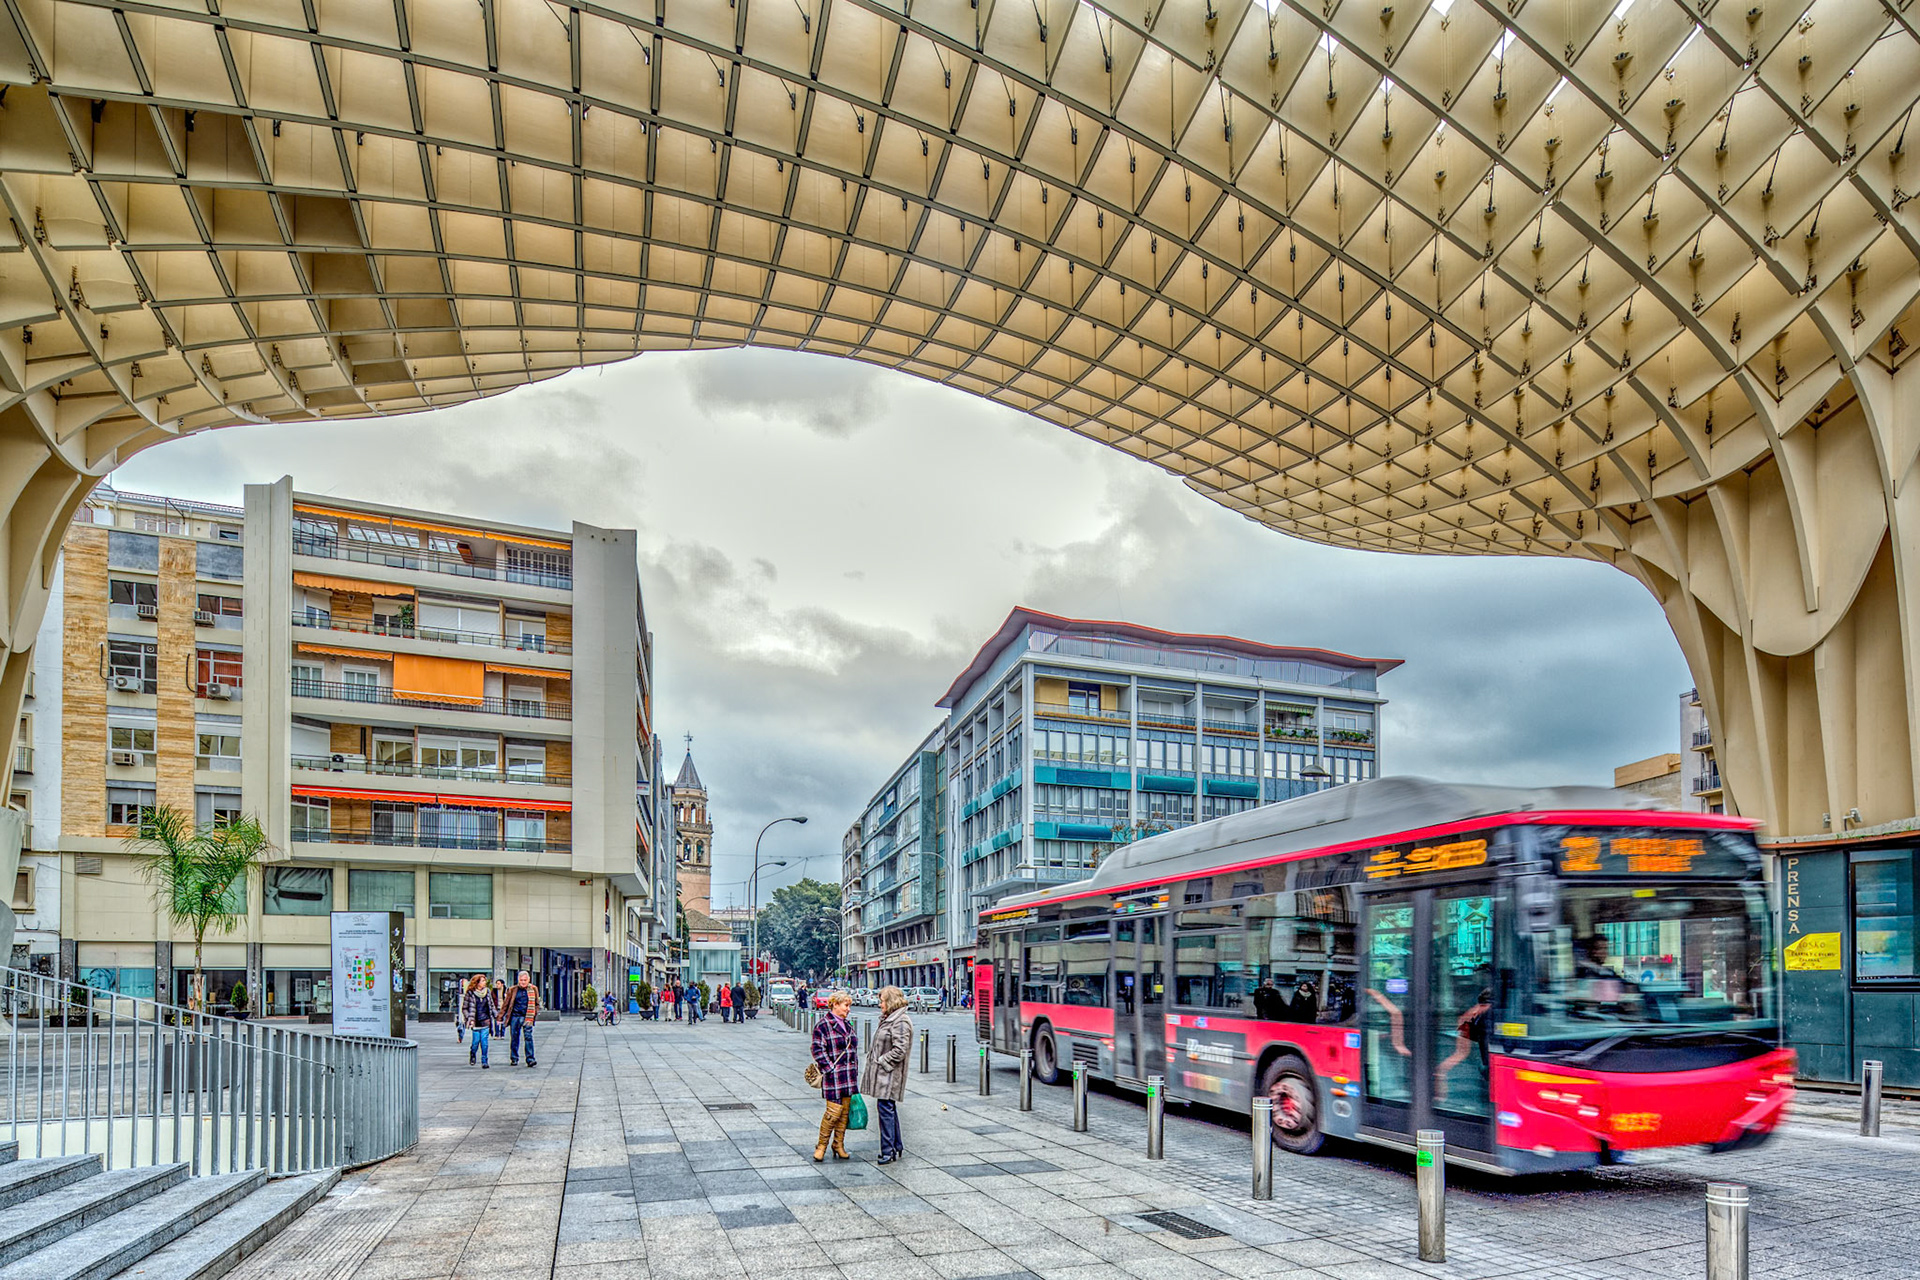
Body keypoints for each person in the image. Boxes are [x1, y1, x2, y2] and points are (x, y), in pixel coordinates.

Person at [862, 986, 913, 1165]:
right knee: (887, 1107)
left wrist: (883, 1061)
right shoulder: (890, 1019)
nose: (880, 1004)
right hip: (885, 1074)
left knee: (885, 1109)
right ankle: (896, 1146)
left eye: (882, 1000)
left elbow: (900, 1049)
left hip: (890, 1074)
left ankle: (887, 1151)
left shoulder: (900, 1021)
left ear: (890, 1001)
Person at [809, 991, 859, 1162]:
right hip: (834, 1076)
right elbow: (817, 1049)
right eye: (846, 1005)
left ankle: (838, 1144)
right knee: (833, 1112)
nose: (848, 1009)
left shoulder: (848, 1024)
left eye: (849, 1005)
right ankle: (821, 1146)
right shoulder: (823, 1025)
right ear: (835, 1005)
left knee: (844, 1112)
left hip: (849, 1076)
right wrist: (830, 1068)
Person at [462, 974, 497, 1068]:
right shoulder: (470, 993)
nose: (484, 982)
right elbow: (464, 1008)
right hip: (475, 1021)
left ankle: (484, 1061)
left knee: (484, 1043)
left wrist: (496, 1015)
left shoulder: (487, 992)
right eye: (482, 981)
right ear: (477, 982)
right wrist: (468, 1018)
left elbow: (492, 1005)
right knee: (475, 1042)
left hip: (485, 1020)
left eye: (485, 981)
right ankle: (472, 1054)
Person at [507, 970, 540, 1067]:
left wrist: (534, 1013)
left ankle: (530, 1059)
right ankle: (514, 1058)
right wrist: (500, 1016)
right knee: (514, 1038)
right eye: (521, 980)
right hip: (515, 1016)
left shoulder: (533, 989)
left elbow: (536, 1003)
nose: (523, 982)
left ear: (529, 980)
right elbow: (507, 1003)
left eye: (525, 980)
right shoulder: (513, 989)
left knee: (528, 1037)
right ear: (518, 980)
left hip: (527, 1017)